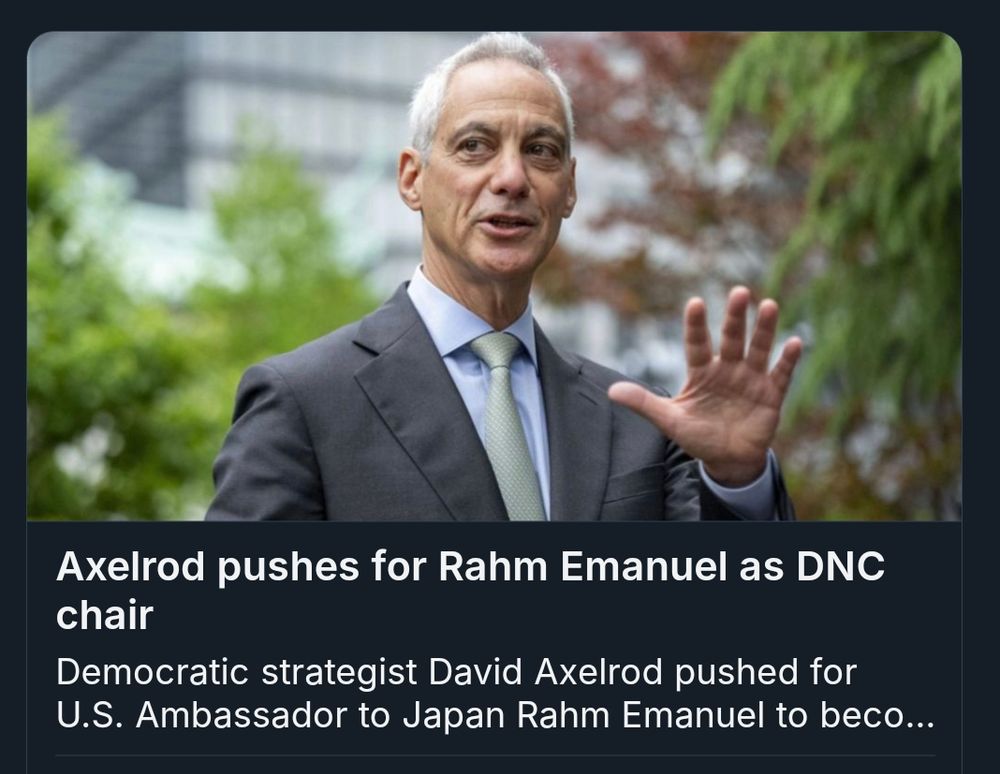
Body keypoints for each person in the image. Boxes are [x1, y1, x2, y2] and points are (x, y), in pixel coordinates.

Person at [205, 32, 802, 523]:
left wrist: (736, 482)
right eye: (475, 146)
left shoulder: (639, 422)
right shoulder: (303, 403)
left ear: (569, 189)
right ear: (412, 179)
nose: (512, 178)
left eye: (541, 150)